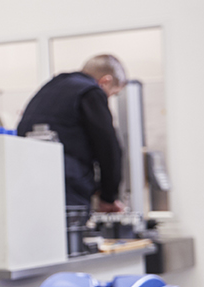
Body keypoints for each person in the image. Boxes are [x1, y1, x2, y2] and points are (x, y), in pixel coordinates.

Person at [16, 54, 126, 212]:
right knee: (71, 232)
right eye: (112, 93)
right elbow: (108, 147)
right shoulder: (91, 92)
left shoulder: (52, 86)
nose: (108, 97)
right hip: (68, 185)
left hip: (29, 181)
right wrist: (108, 197)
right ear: (105, 81)